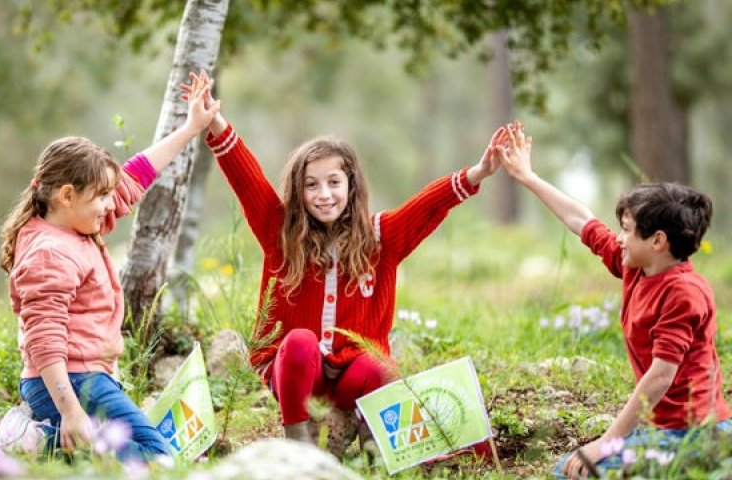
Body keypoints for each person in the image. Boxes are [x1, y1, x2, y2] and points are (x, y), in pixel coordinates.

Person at [187, 71, 507, 453]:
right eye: (312, 185)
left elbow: (427, 206)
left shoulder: (381, 237)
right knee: (301, 342)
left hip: (352, 372)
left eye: (334, 183)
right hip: (298, 373)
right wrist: (216, 125)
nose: (324, 194)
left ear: (351, 186)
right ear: (299, 190)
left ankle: (379, 444)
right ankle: (298, 446)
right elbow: (247, 179)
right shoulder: (280, 232)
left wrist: (478, 173)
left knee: (379, 367)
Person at [0, 72, 220, 462]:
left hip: (90, 379)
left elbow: (136, 176)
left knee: (138, 451)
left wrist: (191, 128)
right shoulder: (50, 252)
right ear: (67, 195)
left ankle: (47, 439)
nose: (109, 203)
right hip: (71, 382)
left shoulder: (77, 222)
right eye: (101, 196)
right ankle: (31, 441)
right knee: (159, 459)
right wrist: (70, 411)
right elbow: (44, 338)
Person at [497, 122, 732, 479]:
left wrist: (605, 443)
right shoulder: (637, 267)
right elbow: (582, 220)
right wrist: (528, 177)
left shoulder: (684, 293)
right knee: (569, 470)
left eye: (626, 229)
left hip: (695, 433)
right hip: (659, 428)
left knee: (573, 473)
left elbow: (660, 376)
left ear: (658, 241)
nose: (619, 238)